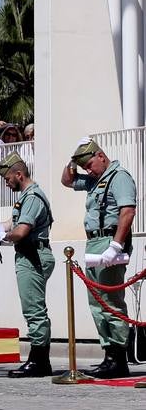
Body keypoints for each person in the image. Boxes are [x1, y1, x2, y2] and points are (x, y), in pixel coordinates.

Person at [64, 139, 136, 378]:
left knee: (111, 301)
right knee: (97, 303)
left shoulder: (119, 177)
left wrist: (116, 245)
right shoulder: (96, 180)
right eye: (84, 166)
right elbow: (67, 180)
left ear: (101, 156)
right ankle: (109, 355)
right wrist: (72, 161)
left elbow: (127, 211)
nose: (88, 170)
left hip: (109, 240)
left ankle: (119, 358)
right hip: (94, 241)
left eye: (89, 164)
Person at [0, 152, 54, 377]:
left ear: (19, 174)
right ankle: (39, 358)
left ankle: (39, 360)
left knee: (34, 309)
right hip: (28, 255)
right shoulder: (26, 197)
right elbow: (11, 224)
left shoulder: (33, 197)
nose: (7, 184)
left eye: (8, 179)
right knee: (33, 308)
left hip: (33, 256)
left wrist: (1, 237)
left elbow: (21, 231)